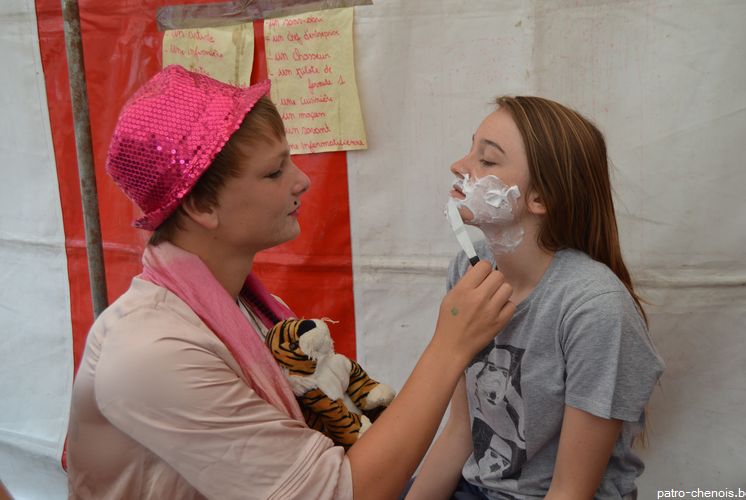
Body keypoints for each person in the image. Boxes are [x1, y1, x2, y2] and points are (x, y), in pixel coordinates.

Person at [66, 65, 516, 500]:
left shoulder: (248, 310)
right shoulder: (153, 352)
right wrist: (449, 348)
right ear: (201, 206)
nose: (302, 181)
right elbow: (337, 494)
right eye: (274, 172)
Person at [404, 96, 665, 499]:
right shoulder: (469, 271)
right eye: (471, 150)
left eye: (487, 160)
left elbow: (571, 491)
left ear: (540, 198)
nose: (458, 165)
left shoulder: (595, 309)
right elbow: (460, 432)